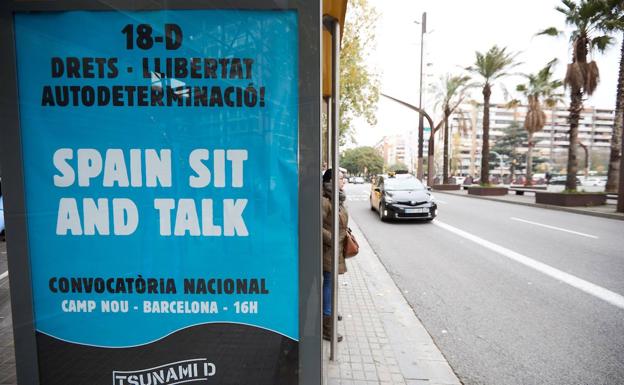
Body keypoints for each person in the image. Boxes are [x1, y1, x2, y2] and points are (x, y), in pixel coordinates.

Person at [321, 168, 348, 342]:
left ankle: (329, 313)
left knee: (332, 284)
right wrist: (332, 238)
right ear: (331, 180)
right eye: (340, 178)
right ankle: (327, 327)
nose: (343, 181)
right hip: (327, 249)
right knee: (329, 286)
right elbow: (314, 224)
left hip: (334, 249)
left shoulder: (337, 197)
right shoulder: (324, 200)